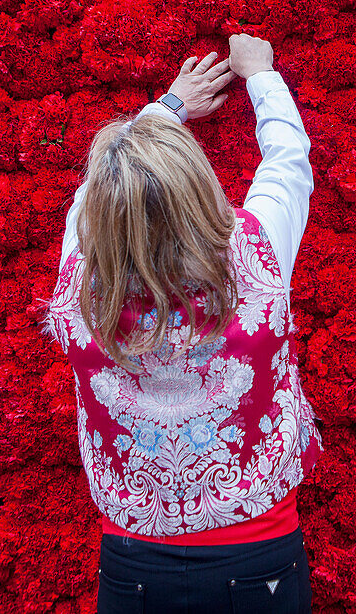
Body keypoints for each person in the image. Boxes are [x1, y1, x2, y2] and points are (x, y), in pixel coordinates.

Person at [39, 34, 324, 614]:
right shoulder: (257, 249)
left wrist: (168, 107)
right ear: (201, 183)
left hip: (132, 567)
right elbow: (288, 162)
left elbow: (96, 194)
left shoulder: (80, 271)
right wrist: (260, 74)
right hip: (261, 554)